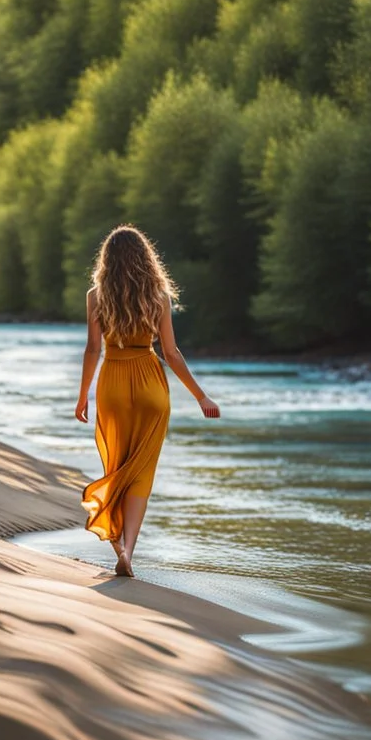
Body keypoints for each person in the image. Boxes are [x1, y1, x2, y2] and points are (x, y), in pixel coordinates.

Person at [75, 225, 220, 578]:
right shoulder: (159, 296)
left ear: (106, 260)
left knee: (117, 466)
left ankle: (118, 544)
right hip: (150, 384)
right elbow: (170, 352)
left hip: (112, 382)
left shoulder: (96, 295)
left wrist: (82, 398)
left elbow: (94, 348)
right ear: (146, 258)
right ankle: (129, 550)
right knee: (141, 471)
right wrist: (201, 396)